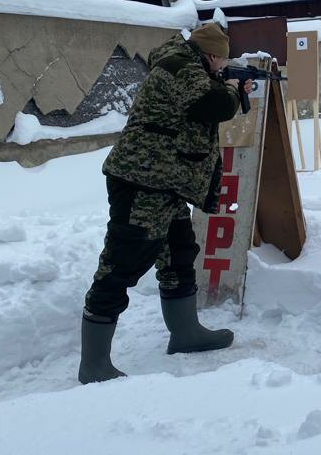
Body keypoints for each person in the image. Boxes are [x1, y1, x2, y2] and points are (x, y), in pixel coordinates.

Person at [78, 22, 253, 384]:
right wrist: (233, 90)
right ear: (211, 55)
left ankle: (185, 333)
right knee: (123, 261)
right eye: (221, 60)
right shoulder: (180, 66)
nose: (223, 66)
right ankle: (94, 364)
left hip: (164, 182)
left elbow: (200, 101)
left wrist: (230, 87)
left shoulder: (190, 66)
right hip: (144, 180)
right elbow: (210, 104)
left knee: (178, 251)